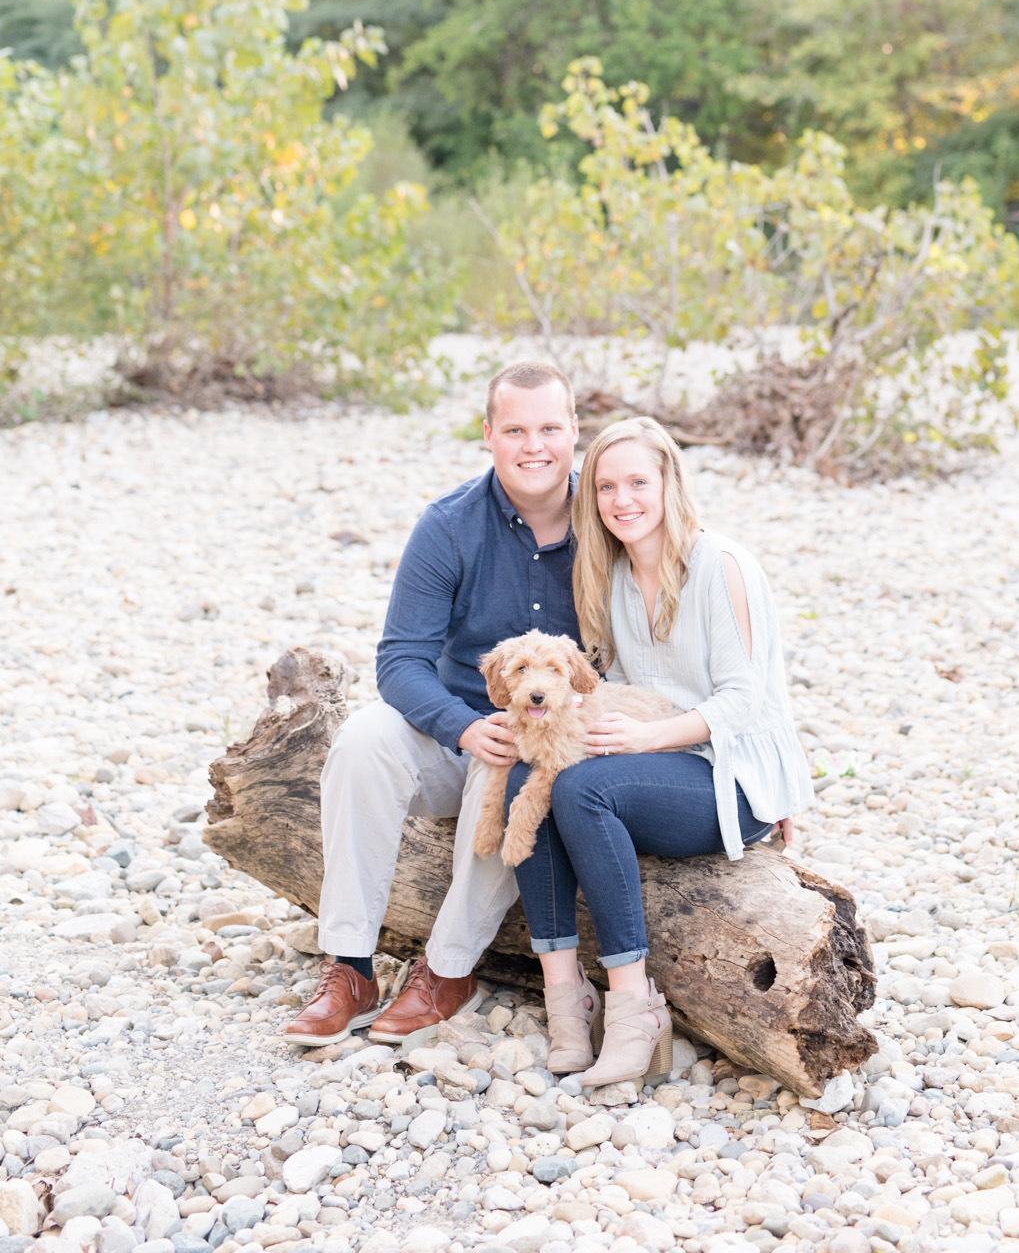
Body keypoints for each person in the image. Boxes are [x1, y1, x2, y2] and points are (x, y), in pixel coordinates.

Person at [504, 416, 811, 1084]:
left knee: (583, 789)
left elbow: (744, 700)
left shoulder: (720, 565)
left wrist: (643, 740)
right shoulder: (612, 576)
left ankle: (633, 1005)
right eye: (607, 486)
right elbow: (620, 686)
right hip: (657, 762)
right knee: (528, 777)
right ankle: (566, 996)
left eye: (638, 481)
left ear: (669, 482)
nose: (622, 500)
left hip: (729, 773)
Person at [287, 361, 580, 1047]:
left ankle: (447, 970)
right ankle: (350, 966)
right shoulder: (448, 526)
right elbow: (399, 661)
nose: (532, 445)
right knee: (360, 740)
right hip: (452, 727)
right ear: (487, 435)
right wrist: (463, 725)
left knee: (508, 774)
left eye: (547, 428)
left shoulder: (607, 522)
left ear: (574, 431)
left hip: (548, 741)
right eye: (514, 429)